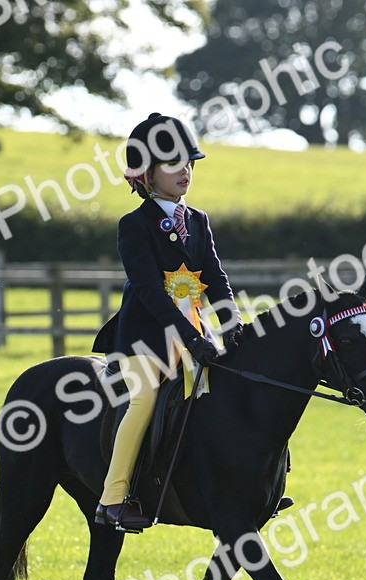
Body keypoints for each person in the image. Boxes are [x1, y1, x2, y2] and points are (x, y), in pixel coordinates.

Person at [91, 112, 242, 530]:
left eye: (190, 164)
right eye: (174, 164)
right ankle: (114, 498)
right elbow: (148, 292)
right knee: (143, 400)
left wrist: (231, 324)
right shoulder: (133, 226)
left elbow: (214, 277)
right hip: (144, 340)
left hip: (196, 335)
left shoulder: (198, 221)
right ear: (146, 174)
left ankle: (241, 486)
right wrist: (190, 339)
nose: (186, 172)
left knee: (229, 393)